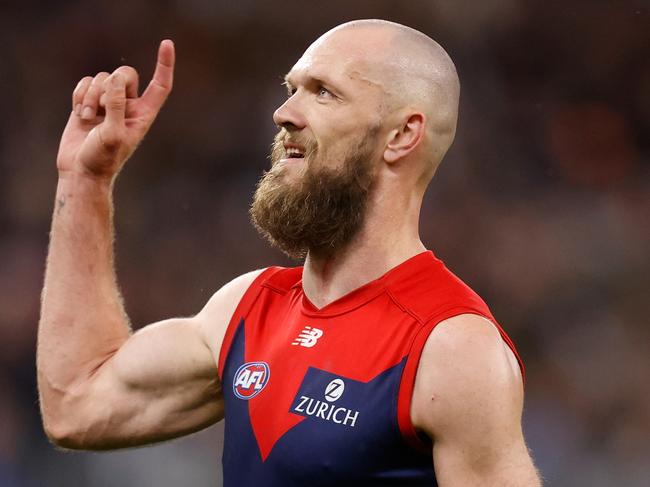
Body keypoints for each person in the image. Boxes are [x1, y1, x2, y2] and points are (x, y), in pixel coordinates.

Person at [38, 19, 541, 486]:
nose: (283, 113)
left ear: (402, 135)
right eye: (291, 89)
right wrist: (85, 181)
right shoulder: (248, 308)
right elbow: (76, 404)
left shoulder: (450, 347)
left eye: (323, 93)